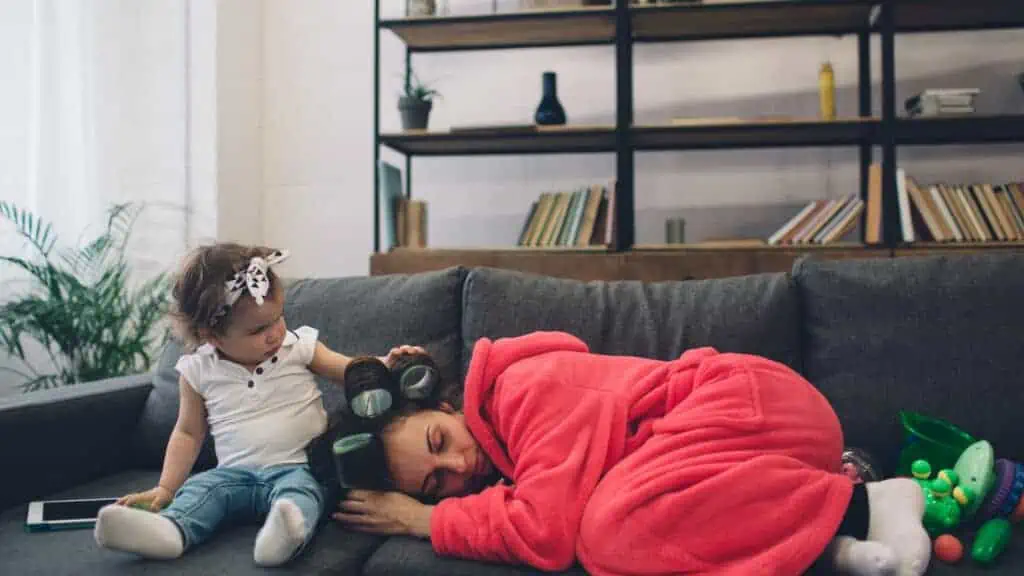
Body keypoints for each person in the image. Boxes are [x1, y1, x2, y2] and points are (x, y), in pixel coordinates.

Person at [332, 331, 932, 576]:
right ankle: (826, 542)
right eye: (437, 484)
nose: (459, 467)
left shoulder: (523, 390)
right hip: (745, 448)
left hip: (755, 404)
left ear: (442, 405)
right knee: (618, 534)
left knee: (606, 533)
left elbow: (546, 533)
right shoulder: (500, 455)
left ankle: (869, 502)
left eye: (440, 443)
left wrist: (428, 518)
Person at [93, 243, 423, 567]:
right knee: (202, 491)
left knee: (302, 496)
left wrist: (389, 364)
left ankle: (284, 535)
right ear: (213, 336)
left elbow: (351, 371)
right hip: (233, 475)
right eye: (259, 329)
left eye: (278, 317)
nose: (275, 333)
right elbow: (188, 433)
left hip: (299, 467)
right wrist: (166, 488)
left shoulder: (298, 346)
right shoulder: (197, 369)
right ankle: (169, 531)